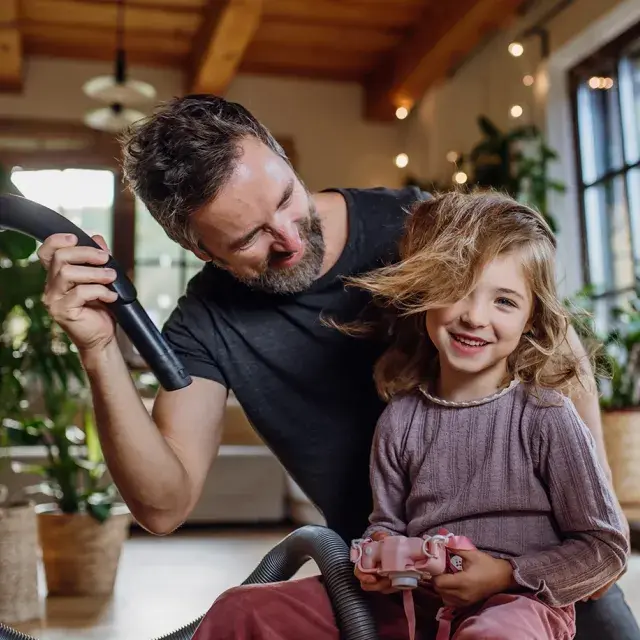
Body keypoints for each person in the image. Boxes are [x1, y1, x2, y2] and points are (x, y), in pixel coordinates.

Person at [35, 94, 638, 639]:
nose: (290, 239)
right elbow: (162, 506)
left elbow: (557, 347)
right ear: (198, 248)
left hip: (533, 571)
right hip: (394, 585)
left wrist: (586, 525)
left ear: (280, 156)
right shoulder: (206, 325)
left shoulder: (417, 226)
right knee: (237, 614)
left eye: (286, 198)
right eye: (249, 237)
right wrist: (98, 350)